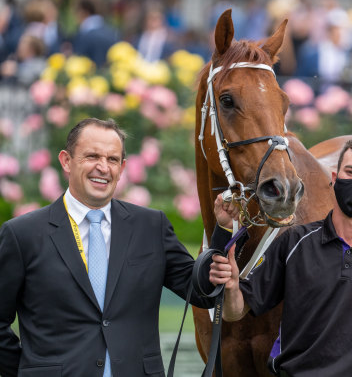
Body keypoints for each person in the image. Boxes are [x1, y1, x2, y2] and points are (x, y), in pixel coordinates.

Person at [0, 118, 214, 377]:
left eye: (112, 160)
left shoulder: (151, 226)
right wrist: (28, 371)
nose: (103, 167)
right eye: (92, 156)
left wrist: (224, 230)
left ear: (123, 167)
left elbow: (202, 291)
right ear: (66, 160)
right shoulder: (22, 234)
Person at [209, 134, 352, 377]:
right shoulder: (295, 242)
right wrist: (232, 285)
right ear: (335, 179)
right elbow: (236, 311)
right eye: (351, 171)